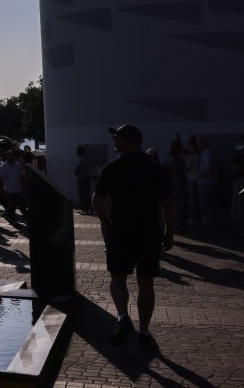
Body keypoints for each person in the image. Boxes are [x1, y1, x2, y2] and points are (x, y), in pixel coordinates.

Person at [93, 124, 174, 350]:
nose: (114, 141)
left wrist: (105, 222)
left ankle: (122, 317)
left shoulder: (112, 167)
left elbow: (97, 200)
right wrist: (169, 232)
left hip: (120, 231)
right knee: (146, 282)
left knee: (118, 278)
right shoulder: (154, 167)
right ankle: (144, 330)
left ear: (127, 141)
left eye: (117, 137)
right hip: (149, 231)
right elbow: (168, 201)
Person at [196, 137, 219, 233]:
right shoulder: (207, 153)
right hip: (208, 182)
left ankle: (209, 228)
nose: (197, 145)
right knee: (208, 205)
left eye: (199, 143)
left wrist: (200, 175)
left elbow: (209, 167)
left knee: (206, 205)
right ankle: (210, 226)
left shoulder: (207, 153)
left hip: (206, 183)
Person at [0, 150, 26, 221]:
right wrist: (2, 190)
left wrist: (23, 188)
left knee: (23, 208)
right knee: (11, 208)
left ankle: (28, 222)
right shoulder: (3, 166)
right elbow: (1, 179)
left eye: (13, 155)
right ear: (7, 156)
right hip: (9, 191)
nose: (11, 157)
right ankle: (13, 221)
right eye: (10, 155)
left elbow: (22, 177)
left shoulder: (18, 165)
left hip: (19, 190)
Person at [74, 146, 92, 214]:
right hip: (86, 178)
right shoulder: (86, 159)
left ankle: (85, 209)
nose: (76, 152)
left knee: (82, 194)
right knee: (86, 193)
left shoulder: (82, 159)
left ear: (80, 152)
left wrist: (76, 170)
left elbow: (77, 169)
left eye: (77, 151)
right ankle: (87, 208)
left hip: (82, 179)